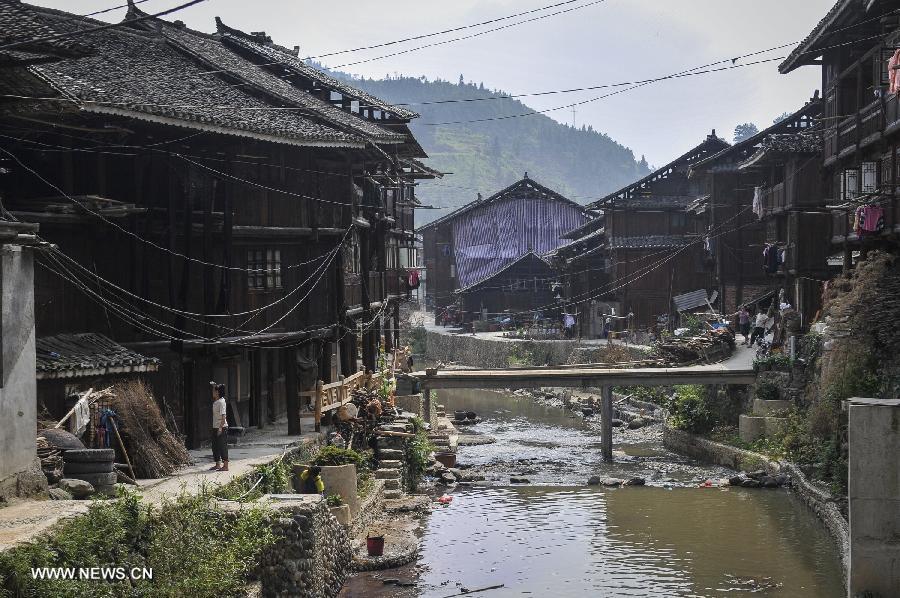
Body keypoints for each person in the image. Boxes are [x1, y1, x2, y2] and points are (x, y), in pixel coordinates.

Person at [210, 382, 229, 472]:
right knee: (215, 446)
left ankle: (225, 465)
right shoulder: (216, 401)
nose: (213, 392)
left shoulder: (221, 402)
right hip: (215, 426)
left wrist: (220, 428)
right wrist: (214, 386)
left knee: (222, 446)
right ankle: (217, 464)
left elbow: (223, 416)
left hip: (221, 427)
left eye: (214, 391)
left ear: (218, 392)